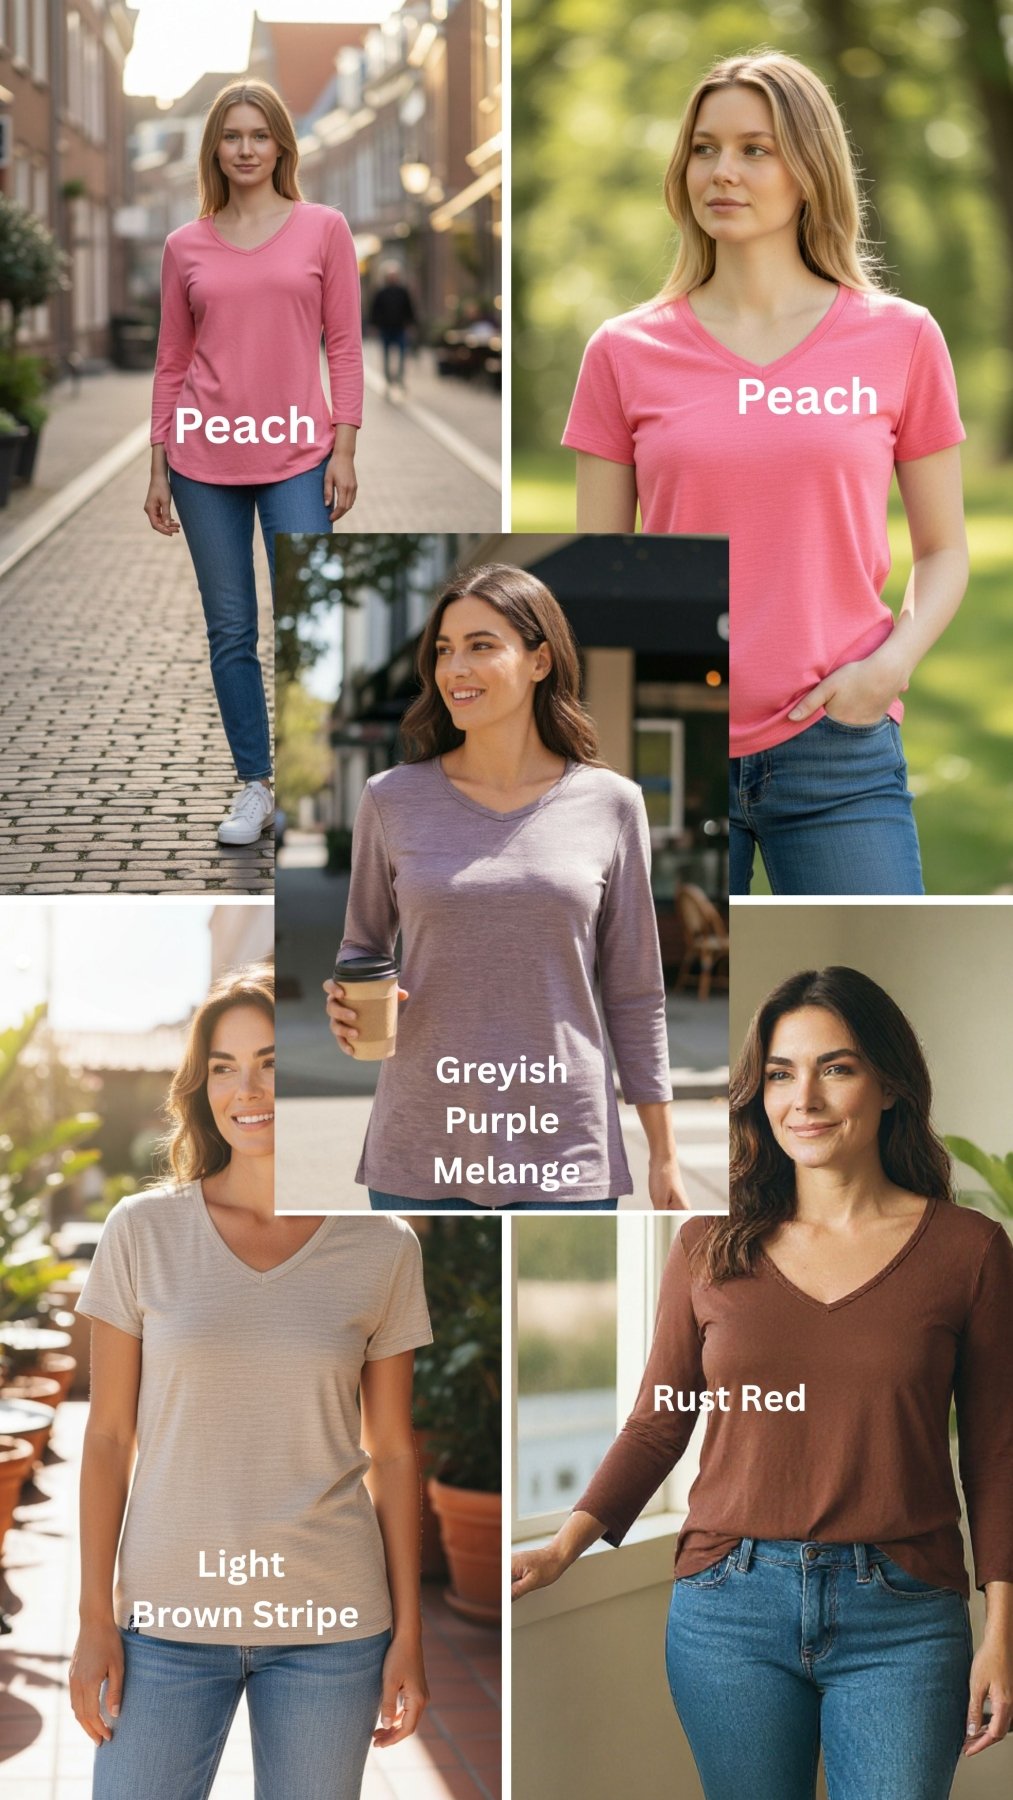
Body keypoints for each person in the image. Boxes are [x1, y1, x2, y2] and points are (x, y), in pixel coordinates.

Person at [512, 967, 1013, 1799]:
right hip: (726, 1608)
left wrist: (1002, 1630)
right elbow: (656, 1422)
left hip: (903, 1617)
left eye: (836, 1068)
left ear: (888, 1083)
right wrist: (564, 1546)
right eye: (780, 1073)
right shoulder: (707, 1248)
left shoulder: (968, 1251)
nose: (802, 1099)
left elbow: (996, 1454)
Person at [562, 52, 968, 896]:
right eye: (704, 149)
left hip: (837, 748)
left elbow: (943, 549)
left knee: (869, 982)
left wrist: (889, 669)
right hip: (662, 751)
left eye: (756, 149)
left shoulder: (901, 338)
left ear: (809, 170)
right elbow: (599, 568)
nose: (722, 172)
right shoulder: (622, 351)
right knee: (663, 1018)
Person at [69, 963, 431, 1800]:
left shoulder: (382, 1246)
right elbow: (108, 1438)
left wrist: (408, 1633)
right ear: (201, 1087)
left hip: (330, 1625)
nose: (247, 1089)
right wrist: (95, 1618)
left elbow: (396, 1455)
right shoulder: (143, 1230)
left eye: (270, 1061)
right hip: (166, 1622)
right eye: (224, 1067)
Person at [323, 563, 687, 1213]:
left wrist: (663, 1155)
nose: (454, 668)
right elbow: (362, 947)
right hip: (423, 1142)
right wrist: (349, 1012)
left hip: (566, 1142)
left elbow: (635, 991)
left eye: (480, 646)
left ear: (540, 661)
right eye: (443, 650)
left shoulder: (612, 803)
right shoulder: (390, 800)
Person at [144, 79, 363, 848]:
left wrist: (345, 445)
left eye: (257, 135)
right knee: (231, 629)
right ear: (216, 148)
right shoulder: (185, 246)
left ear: (280, 146)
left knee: (301, 617)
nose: (244, 148)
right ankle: (254, 785)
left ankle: (310, 778)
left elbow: (343, 344)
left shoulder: (324, 228)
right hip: (204, 461)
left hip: (299, 456)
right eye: (231, 136)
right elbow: (172, 359)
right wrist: (158, 462)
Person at [369, 264, 417, 391]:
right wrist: (374, 325)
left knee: (402, 353)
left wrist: (411, 324)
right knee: (386, 355)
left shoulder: (403, 292)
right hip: (386, 328)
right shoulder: (381, 293)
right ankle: (388, 379)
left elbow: (409, 309)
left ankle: (400, 377)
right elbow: (375, 310)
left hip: (399, 328)